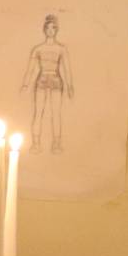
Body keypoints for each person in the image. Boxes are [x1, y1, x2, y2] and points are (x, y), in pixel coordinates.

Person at [20, 13, 74, 153]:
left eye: (54, 28)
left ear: (56, 30)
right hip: (42, 80)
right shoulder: (38, 49)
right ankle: (36, 144)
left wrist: (70, 86)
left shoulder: (61, 49)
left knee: (56, 113)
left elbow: (67, 69)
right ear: (44, 29)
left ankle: (56, 144)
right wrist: (25, 85)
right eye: (48, 27)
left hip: (56, 80)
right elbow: (30, 69)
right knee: (38, 113)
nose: (51, 30)